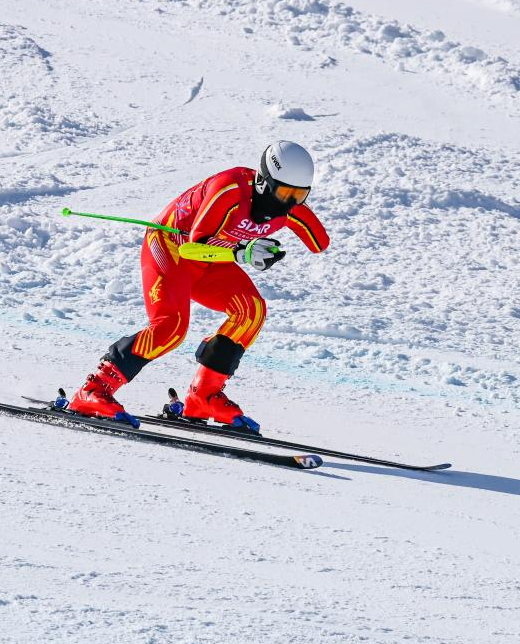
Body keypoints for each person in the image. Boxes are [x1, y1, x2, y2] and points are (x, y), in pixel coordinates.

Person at [68, 140, 330, 432]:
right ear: (262, 182)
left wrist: (271, 249)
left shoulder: (292, 209)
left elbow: (320, 243)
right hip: (171, 247)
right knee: (170, 328)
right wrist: (243, 252)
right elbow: (193, 246)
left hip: (211, 260)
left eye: (299, 195)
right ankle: (94, 389)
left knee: (251, 311)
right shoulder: (229, 189)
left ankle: (204, 395)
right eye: (284, 193)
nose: (289, 203)